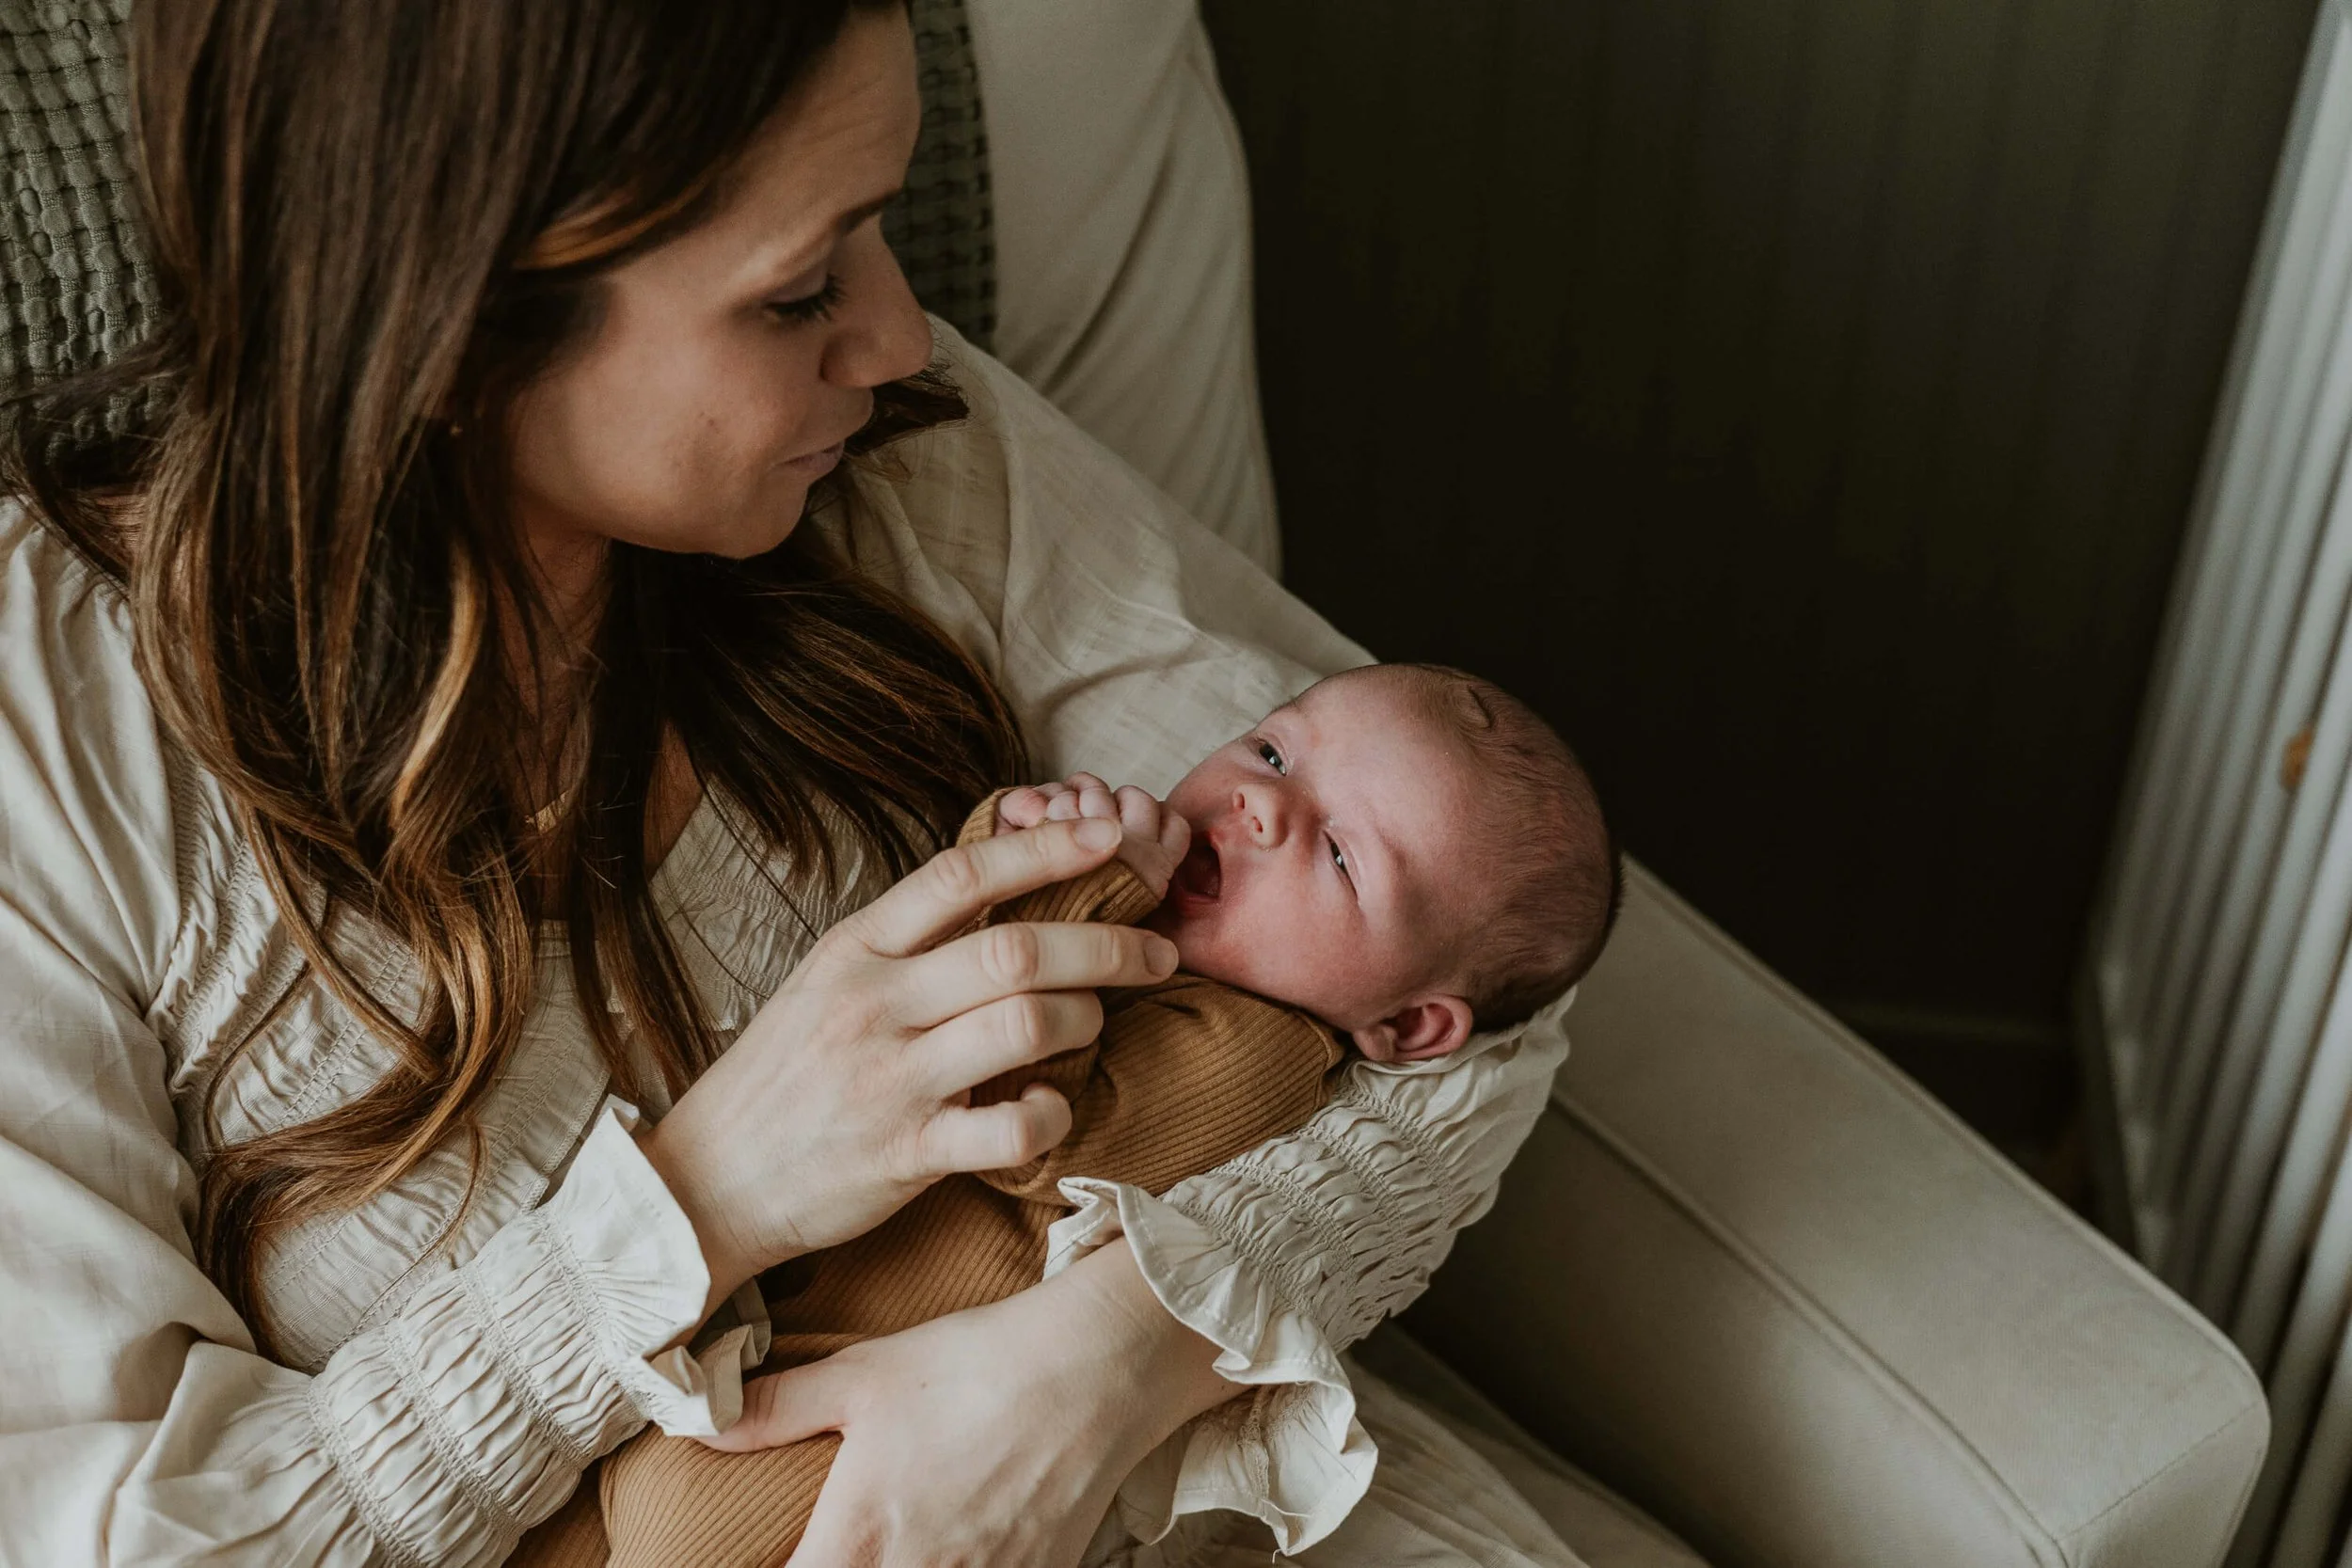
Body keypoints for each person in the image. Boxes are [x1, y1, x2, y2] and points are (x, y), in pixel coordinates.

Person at [0, 3, 1586, 1564]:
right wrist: (696, 1203)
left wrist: (1092, 1365)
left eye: (880, 230)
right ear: (448, 322)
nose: (900, 336)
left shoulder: (886, 451)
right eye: (801, 288)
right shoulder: (54, 731)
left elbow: (1469, 949)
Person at [521, 663, 1621, 1566]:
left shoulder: (1257, 1055)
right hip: (789, 1338)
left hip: (878, 1422)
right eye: (1273, 750)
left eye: (1338, 852)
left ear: (1410, 1026)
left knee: (679, 1513)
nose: (1260, 804)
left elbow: (1025, 1121)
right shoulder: (1159, 962)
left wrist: (1056, 885)